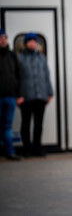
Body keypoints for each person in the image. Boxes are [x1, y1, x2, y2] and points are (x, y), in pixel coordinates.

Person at [17, 32, 53, 157]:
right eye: (30, 41)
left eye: (34, 41)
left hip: (40, 96)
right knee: (26, 124)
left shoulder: (41, 57)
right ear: (25, 43)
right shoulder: (20, 58)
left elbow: (46, 76)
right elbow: (17, 77)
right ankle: (26, 149)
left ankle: (37, 148)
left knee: (39, 124)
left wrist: (49, 92)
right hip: (26, 97)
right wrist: (19, 95)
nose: (32, 43)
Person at [0, 29, 23, 160]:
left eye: (4, 37)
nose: (3, 40)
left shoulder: (11, 55)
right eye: (1, 38)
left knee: (7, 125)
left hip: (10, 97)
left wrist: (19, 94)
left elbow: (18, 76)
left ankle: (10, 152)